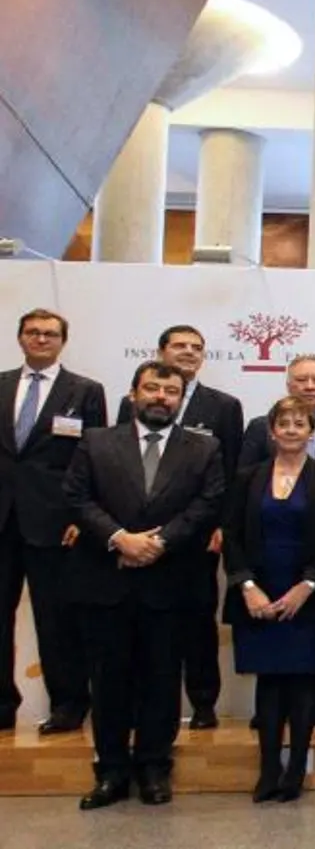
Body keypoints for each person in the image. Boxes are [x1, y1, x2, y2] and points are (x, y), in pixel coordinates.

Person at [65, 360, 224, 810]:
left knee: (161, 677)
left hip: (171, 581)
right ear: (134, 393)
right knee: (109, 679)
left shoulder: (204, 448)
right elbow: (76, 496)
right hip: (106, 579)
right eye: (152, 388)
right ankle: (111, 771)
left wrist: (160, 541)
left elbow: (209, 502)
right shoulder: (97, 442)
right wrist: (120, 539)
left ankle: (155, 767)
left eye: (170, 391)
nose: (160, 397)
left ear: (180, 397)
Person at [223, 396, 315, 803]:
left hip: (309, 596)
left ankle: (295, 771)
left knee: (304, 684)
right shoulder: (247, 477)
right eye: (285, 423)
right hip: (259, 592)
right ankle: (267, 772)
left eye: (300, 423)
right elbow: (233, 538)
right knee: (270, 683)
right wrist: (247, 586)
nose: (292, 430)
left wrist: (307, 587)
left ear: (311, 432)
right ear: (271, 430)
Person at [117, 325, 242, 730]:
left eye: (197, 347)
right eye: (180, 346)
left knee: (197, 619)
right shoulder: (131, 403)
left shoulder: (223, 405)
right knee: (138, 623)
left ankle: (203, 702)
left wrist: (223, 525)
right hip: (136, 537)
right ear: (161, 351)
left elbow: (232, 471)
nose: (188, 352)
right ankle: (141, 705)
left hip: (197, 535)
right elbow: (119, 466)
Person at [235, 354, 315, 727]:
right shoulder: (260, 427)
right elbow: (243, 481)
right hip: (271, 542)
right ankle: (271, 708)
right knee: (271, 624)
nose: (310, 386)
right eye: (301, 380)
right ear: (288, 384)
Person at [0, 308, 109, 735]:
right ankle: (3, 704)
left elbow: (95, 458)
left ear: (63, 341)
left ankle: (69, 703)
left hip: (56, 522)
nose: (41, 339)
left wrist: (83, 517)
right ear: (20, 338)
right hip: (2, 519)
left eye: (50, 334)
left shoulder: (84, 391)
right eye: (33, 333)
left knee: (57, 618)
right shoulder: (1, 384)